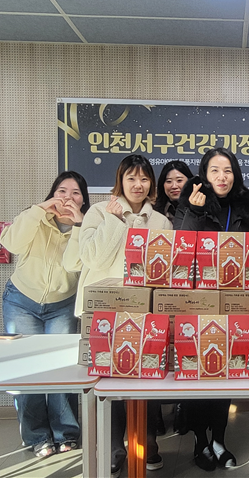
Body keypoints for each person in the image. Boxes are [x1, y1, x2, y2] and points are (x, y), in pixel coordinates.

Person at [77, 154, 172, 476]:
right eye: (131, 178)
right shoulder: (98, 212)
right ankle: (115, 448)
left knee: (149, 375)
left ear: (151, 184)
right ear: (120, 181)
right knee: (110, 380)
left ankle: (147, 444)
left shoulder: (160, 221)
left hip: (144, 311)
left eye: (144, 179)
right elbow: (92, 258)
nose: (137, 185)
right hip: (105, 311)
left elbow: (164, 269)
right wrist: (114, 222)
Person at [175, 147, 249, 471]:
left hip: (234, 301)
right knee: (199, 372)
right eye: (214, 170)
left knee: (226, 372)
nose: (222, 177)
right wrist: (194, 211)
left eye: (227, 170)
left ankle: (219, 440)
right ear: (204, 174)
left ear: (235, 174)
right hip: (198, 301)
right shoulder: (190, 201)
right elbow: (180, 246)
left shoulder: (246, 207)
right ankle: (200, 440)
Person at [0, 171, 89, 459]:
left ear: (83, 200)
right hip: (21, 301)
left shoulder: (86, 227)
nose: (67, 198)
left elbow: (75, 264)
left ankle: (66, 433)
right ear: (52, 194)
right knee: (28, 371)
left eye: (75, 193)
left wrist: (79, 226)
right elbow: (11, 244)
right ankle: (37, 436)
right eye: (62, 191)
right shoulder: (35, 218)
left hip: (62, 305)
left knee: (62, 370)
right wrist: (38, 210)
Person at [152, 160, 194, 436]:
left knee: (185, 345)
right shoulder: (155, 213)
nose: (174, 185)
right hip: (159, 288)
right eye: (168, 181)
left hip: (190, 288)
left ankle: (184, 409)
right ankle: (153, 415)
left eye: (180, 180)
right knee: (158, 346)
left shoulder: (199, 206)